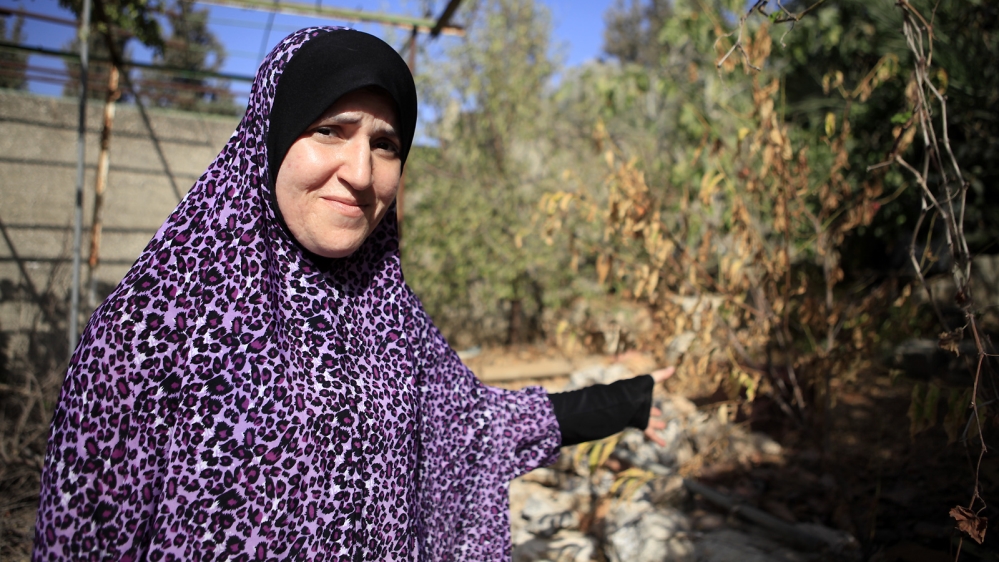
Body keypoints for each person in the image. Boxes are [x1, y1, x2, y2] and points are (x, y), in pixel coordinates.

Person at [33, 27, 670, 561]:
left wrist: (624, 401)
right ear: (272, 137)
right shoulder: (151, 327)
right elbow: (80, 535)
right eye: (331, 130)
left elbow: (474, 429)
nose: (361, 173)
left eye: (385, 144)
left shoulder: (391, 320)